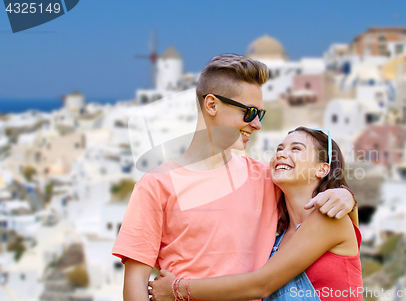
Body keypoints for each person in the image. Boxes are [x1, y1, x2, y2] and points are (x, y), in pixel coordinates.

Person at [111, 54, 357, 301]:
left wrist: (346, 194)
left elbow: (319, 198)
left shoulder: (268, 178)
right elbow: (135, 283)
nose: (256, 124)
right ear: (212, 105)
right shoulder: (155, 185)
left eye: (260, 114)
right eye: (249, 112)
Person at [148, 127, 362, 301]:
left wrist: (177, 290)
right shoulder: (276, 234)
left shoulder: (329, 218)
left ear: (322, 170)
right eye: (279, 148)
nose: (281, 153)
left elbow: (261, 285)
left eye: (296, 149)